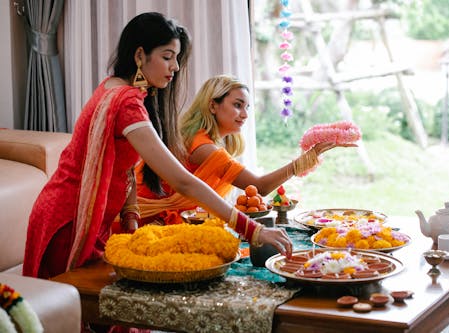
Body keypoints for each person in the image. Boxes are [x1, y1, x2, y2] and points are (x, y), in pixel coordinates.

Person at [22, 13, 292, 283]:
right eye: (167, 56)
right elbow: (183, 182)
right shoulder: (126, 102)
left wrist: (130, 220)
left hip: (84, 217)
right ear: (140, 56)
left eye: (176, 58)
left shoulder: (116, 88)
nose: (175, 67)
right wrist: (253, 230)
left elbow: (123, 165)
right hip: (68, 221)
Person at [135, 74, 356, 225]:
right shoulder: (203, 147)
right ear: (213, 105)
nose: (245, 114)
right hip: (151, 223)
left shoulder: (203, 139)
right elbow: (258, 187)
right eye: (237, 105)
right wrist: (304, 160)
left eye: (247, 107)